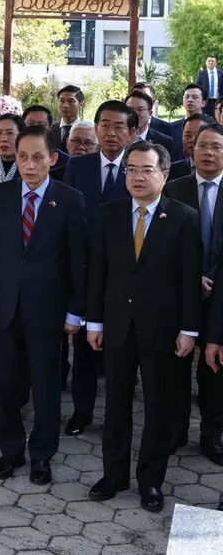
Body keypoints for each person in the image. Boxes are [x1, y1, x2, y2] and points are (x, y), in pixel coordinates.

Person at [86, 142, 201, 513]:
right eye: (130, 169)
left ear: (164, 175)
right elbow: (98, 275)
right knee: (116, 406)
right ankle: (114, 475)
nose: (136, 177)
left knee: (158, 410)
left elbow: (188, 281)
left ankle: (150, 481)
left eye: (146, 170)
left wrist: (189, 330)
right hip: (118, 327)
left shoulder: (184, 217)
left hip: (163, 332)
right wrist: (95, 322)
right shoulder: (109, 213)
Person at [0, 126, 88, 485]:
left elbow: (77, 260)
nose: (29, 164)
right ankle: (10, 451)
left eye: (38, 157)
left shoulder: (70, 199)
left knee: (45, 388)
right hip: (4, 306)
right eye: (22, 156)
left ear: (53, 159)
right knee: (6, 386)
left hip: (48, 310)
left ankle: (42, 453)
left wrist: (75, 310)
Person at [62, 100, 137, 436]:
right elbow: (64, 217)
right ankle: (82, 411)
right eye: (104, 125)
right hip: (84, 271)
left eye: (119, 126)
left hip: (125, 274)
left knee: (120, 352)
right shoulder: (78, 166)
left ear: (132, 132)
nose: (110, 132)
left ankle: (117, 418)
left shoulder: (139, 168)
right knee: (84, 350)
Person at [164, 123, 223, 463]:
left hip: (221, 295)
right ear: (191, 149)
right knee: (176, 365)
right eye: (203, 145)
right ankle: (176, 430)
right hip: (180, 295)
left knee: (215, 370)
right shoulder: (173, 189)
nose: (208, 152)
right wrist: (192, 278)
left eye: (216, 146)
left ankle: (212, 433)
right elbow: (162, 246)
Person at [125, 90, 176, 159]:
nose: (134, 114)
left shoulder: (165, 142)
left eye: (140, 109)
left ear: (150, 114)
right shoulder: (116, 138)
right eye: (130, 109)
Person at [51, 86, 84, 150]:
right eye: (62, 101)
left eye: (70, 101)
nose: (65, 105)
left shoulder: (88, 131)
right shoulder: (50, 130)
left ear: (81, 104)